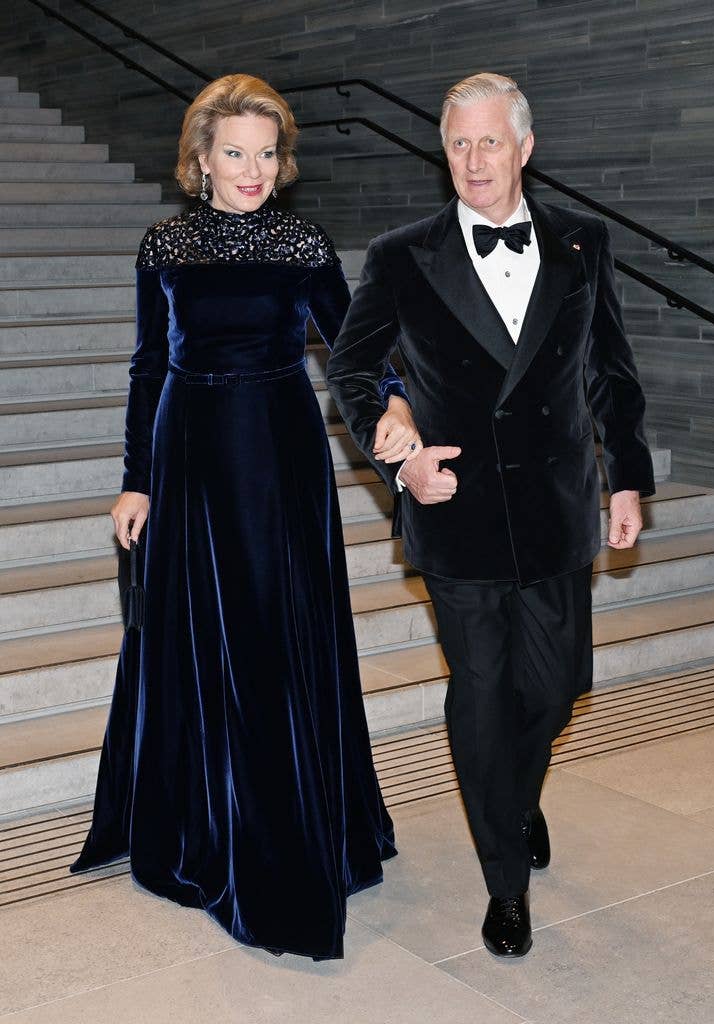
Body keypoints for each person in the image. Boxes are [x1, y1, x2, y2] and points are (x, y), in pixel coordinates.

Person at [70, 73, 421, 962]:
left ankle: (289, 826)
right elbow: (150, 365)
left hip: (278, 451)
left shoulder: (301, 241)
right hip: (189, 449)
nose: (254, 169)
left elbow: (351, 347)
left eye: (267, 153)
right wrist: (135, 478)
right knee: (196, 639)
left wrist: (394, 406)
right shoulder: (165, 246)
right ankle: (205, 822)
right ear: (201, 159)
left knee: (271, 633)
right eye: (236, 152)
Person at [326, 72, 655, 958]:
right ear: (445, 152)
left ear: (524, 148)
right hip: (455, 509)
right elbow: (352, 371)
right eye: (458, 143)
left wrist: (624, 478)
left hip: (554, 510)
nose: (474, 160)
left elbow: (608, 373)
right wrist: (398, 458)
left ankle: (511, 793)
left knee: (557, 687)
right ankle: (504, 883)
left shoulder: (582, 243)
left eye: (489, 142)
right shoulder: (402, 254)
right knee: (478, 693)